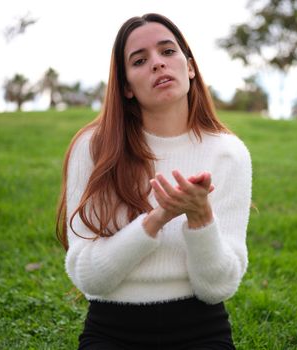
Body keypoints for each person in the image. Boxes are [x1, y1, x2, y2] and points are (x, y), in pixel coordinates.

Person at [56, 13, 252, 350]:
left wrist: (200, 219)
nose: (158, 64)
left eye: (168, 52)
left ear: (190, 67)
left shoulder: (228, 153)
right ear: (127, 86)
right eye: (140, 60)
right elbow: (89, 279)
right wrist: (156, 218)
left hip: (200, 328)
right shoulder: (95, 148)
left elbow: (217, 287)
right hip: (112, 328)